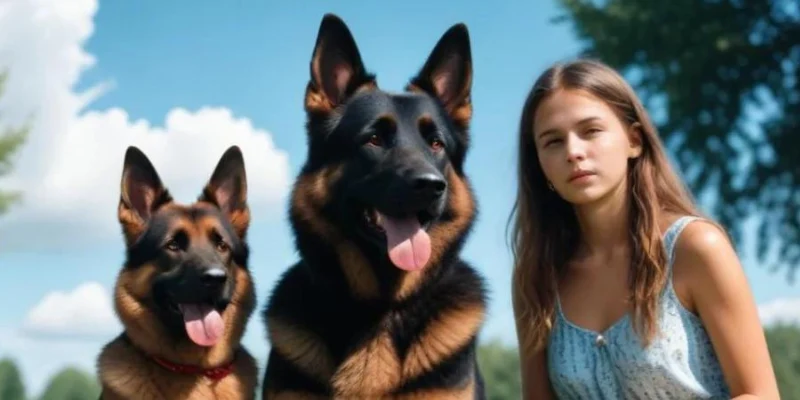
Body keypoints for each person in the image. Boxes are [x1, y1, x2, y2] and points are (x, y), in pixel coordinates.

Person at [508, 59, 780, 399]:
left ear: (634, 141)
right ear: (539, 165)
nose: (574, 152)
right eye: (553, 142)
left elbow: (760, 394)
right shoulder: (536, 278)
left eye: (591, 131)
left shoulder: (696, 247)